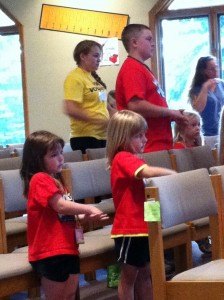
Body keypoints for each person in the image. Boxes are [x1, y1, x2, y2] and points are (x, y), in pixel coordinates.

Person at [20, 130, 108, 300]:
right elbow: (60, 206)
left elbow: (63, 216)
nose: (61, 158)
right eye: (54, 155)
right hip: (50, 251)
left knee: (69, 295)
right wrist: (88, 209)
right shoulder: (39, 179)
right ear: (37, 159)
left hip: (67, 248)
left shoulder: (56, 181)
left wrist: (85, 218)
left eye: (61, 152)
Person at [106, 110, 176, 300]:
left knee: (145, 274)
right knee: (129, 277)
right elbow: (147, 173)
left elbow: (146, 195)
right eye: (138, 135)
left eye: (144, 134)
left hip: (144, 226)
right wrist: (173, 174)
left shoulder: (134, 159)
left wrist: (155, 222)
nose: (145, 139)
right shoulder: (123, 158)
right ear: (122, 138)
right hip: (130, 228)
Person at [115, 23, 188, 153]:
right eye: (149, 39)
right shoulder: (132, 68)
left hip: (157, 143)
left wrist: (172, 115)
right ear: (134, 42)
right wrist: (170, 112)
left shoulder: (141, 68)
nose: (153, 44)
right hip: (148, 146)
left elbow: (152, 105)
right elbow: (135, 105)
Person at [173, 111, 212, 254]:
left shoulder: (197, 147)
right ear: (181, 129)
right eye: (193, 125)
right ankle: (201, 237)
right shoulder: (178, 148)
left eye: (199, 125)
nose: (197, 128)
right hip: (185, 188)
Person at [64, 40, 111, 154]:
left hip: (102, 135)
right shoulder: (75, 77)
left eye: (100, 56)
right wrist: (98, 120)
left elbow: (104, 105)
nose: (99, 59)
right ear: (83, 56)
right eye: (95, 55)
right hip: (85, 137)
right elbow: (71, 109)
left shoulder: (94, 79)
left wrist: (120, 120)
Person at [189, 55, 224, 149]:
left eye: (216, 67)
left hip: (221, 132)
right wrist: (205, 87)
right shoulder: (197, 89)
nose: (216, 70)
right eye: (211, 69)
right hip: (207, 134)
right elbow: (198, 108)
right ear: (203, 71)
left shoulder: (221, 84)